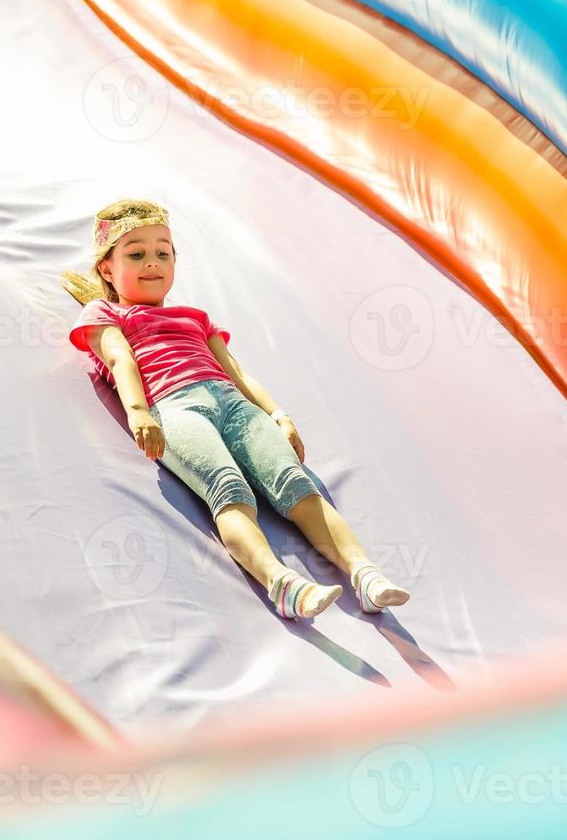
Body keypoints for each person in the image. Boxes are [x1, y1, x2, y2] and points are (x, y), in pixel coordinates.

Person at [60, 198, 410, 620]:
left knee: (293, 483)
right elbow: (120, 359)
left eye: (162, 253)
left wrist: (278, 414)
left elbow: (237, 373)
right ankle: (281, 584)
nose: (152, 263)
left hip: (233, 403)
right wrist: (138, 411)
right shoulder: (105, 312)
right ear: (107, 270)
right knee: (228, 488)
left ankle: (364, 573)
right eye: (136, 254)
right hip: (173, 406)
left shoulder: (196, 318)